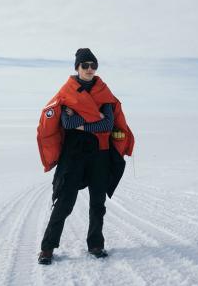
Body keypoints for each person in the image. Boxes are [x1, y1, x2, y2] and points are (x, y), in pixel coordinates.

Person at [36, 48, 134, 265]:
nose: (90, 69)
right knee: (65, 201)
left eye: (93, 65)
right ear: (77, 68)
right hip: (73, 154)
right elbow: (66, 123)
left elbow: (108, 124)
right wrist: (94, 120)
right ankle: (47, 248)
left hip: (100, 153)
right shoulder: (66, 94)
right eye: (85, 65)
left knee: (97, 202)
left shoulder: (104, 94)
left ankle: (96, 244)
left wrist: (80, 121)